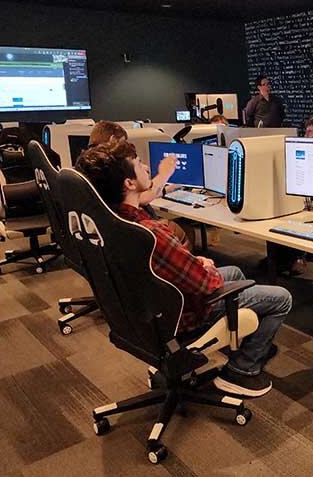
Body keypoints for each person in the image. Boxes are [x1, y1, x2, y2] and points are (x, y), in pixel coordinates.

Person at [76, 141, 291, 398]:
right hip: (180, 315)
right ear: (129, 184)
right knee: (281, 299)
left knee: (234, 271)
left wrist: (196, 264)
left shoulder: (114, 220)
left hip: (148, 312)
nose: (146, 167)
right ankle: (241, 371)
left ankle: (237, 342)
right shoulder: (151, 234)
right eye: (138, 164)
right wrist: (203, 264)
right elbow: (205, 284)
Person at [86, 121, 194, 250]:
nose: (146, 168)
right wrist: (164, 174)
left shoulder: (89, 166)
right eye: (138, 164)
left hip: (115, 240)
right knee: (182, 231)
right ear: (113, 140)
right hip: (137, 234)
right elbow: (140, 198)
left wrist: (167, 188)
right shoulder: (109, 168)